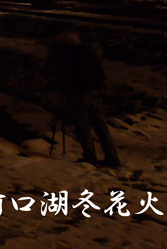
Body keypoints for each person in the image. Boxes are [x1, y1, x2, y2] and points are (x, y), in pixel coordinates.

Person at [46, 32, 120, 168]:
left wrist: (61, 85)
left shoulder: (68, 56)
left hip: (78, 93)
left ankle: (90, 156)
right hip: (95, 93)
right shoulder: (90, 53)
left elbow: (64, 74)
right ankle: (112, 157)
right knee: (101, 126)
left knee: (82, 127)